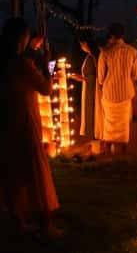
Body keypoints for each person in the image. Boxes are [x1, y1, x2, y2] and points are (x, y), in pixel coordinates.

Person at [0, 18, 60, 237]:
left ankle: (18, 220)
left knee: (12, 170)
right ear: (21, 38)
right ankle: (46, 224)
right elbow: (46, 89)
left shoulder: (4, 61)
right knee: (34, 167)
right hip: (25, 119)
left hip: (6, 120)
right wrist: (48, 68)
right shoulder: (21, 63)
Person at [97, 23, 137, 154]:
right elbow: (136, 75)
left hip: (109, 93)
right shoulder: (133, 52)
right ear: (123, 35)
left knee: (109, 123)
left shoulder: (105, 52)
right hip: (126, 93)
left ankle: (108, 150)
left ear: (111, 35)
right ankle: (123, 151)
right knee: (124, 124)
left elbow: (100, 77)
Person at [71, 36, 103, 142]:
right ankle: (92, 133)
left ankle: (95, 133)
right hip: (87, 87)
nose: (81, 47)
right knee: (88, 109)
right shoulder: (89, 56)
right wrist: (79, 77)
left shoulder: (94, 57)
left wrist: (81, 77)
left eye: (82, 44)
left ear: (86, 44)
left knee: (92, 109)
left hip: (92, 88)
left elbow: (94, 76)